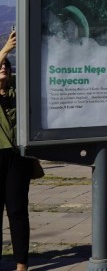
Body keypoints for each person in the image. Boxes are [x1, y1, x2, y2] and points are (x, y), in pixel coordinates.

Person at [0, 30, 30, 271]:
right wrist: (5, 50)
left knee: (17, 211)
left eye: (6, 67)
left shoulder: (16, 90)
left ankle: (21, 263)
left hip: (17, 157)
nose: (3, 69)